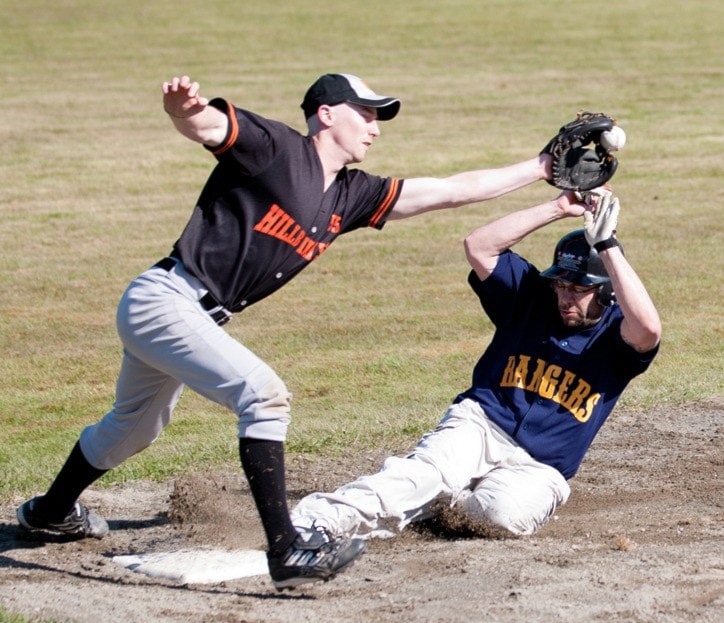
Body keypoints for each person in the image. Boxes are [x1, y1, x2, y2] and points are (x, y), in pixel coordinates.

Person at [17, 72, 555, 590]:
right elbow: (208, 127)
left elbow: (453, 190)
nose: (375, 126)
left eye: (378, 117)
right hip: (164, 301)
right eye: (366, 113)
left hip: (192, 316)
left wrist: (541, 167)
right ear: (326, 114)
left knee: (134, 429)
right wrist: (183, 110)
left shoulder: (349, 195)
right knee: (264, 395)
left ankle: (50, 512)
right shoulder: (276, 148)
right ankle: (286, 550)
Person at [290, 188, 662, 540]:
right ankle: (316, 520)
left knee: (500, 516)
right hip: (480, 426)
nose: (565, 296)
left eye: (579, 289)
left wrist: (608, 245)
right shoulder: (531, 298)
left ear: (608, 290)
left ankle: (445, 497)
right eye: (561, 285)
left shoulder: (618, 337)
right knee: (422, 474)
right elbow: (479, 246)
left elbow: (648, 327)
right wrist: (559, 208)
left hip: (541, 467)